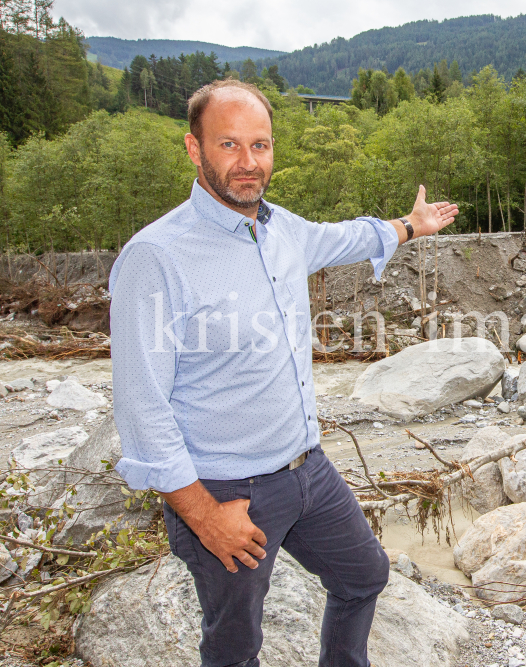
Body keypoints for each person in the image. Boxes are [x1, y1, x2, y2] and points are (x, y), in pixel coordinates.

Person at [108, 79, 457, 667]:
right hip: (226, 491)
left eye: (261, 146)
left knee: (364, 576)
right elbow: (142, 407)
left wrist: (409, 226)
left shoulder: (281, 229)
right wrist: (205, 517)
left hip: (306, 470)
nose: (248, 163)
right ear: (194, 149)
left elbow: (346, 237)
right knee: (235, 645)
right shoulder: (156, 257)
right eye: (229, 145)